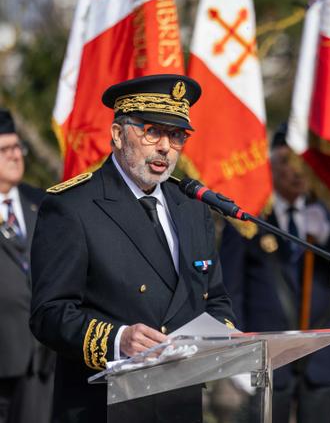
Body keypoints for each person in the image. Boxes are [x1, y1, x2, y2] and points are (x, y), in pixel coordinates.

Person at [30, 74, 236, 423]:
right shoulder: (73, 206)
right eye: (152, 132)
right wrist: (118, 338)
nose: (165, 147)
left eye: (177, 135)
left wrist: (223, 335)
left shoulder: (193, 206)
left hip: (179, 401)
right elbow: (48, 313)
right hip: (104, 405)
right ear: (117, 134)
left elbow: (214, 298)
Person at [219, 125, 330, 423]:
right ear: (269, 166)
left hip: (319, 358)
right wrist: (236, 351)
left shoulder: (322, 213)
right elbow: (230, 289)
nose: (296, 171)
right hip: (267, 357)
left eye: (302, 162)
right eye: (286, 161)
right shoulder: (248, 217)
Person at [0, 109, 54, 423]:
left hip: (40, 363)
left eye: (17, 147)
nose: (15, 155)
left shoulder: (42, 203)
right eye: (4, 149)